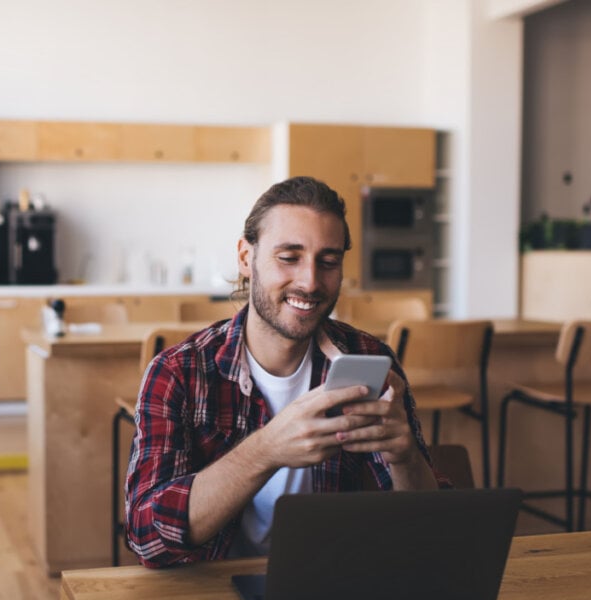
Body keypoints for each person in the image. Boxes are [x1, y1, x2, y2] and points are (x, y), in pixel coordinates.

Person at [125, 176, 449, 568]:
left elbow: (429, 533)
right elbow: (147, 538)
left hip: (333, 584)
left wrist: (405, 458)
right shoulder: (178, 372)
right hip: (212, 594)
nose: (310, 281)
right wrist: (266, 450)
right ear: (246, 258)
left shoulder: (369, 359)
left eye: (328, 262)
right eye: (289, 257)